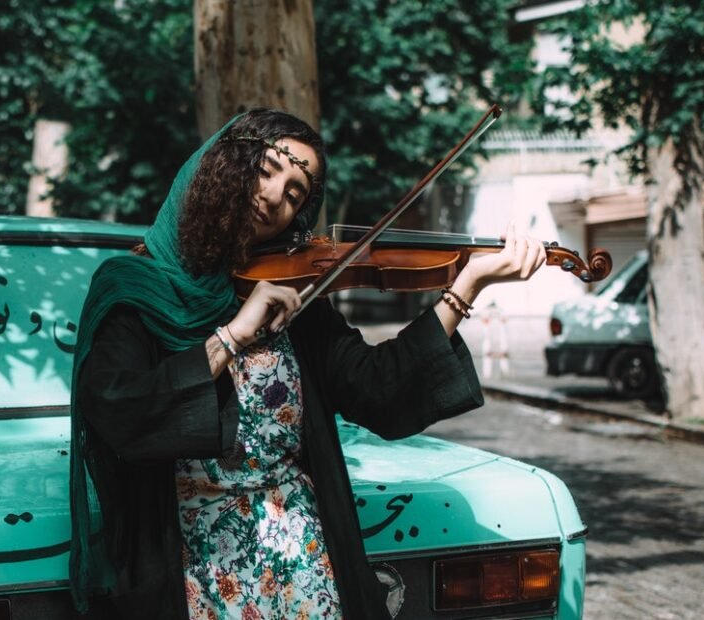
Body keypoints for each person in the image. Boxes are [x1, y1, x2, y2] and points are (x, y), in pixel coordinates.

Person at [68, 109, 547, 619]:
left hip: (302, 563)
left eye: (296, 192)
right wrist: (230, 337)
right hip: (186, 570)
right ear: (224, 166)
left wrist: (465, 287)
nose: (275, 196)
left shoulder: (296, 295)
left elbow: (378, 390)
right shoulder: (134, 288)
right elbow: (121, 412)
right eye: (268, 169)